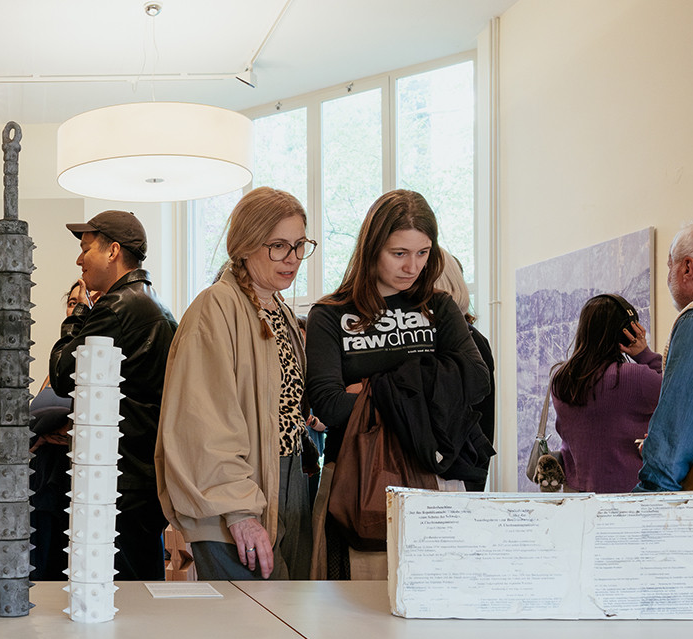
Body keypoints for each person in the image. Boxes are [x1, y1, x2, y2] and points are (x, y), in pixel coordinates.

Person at [305, 189, 491, 580]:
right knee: (354, 605)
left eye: (422, 253)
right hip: (356, 480)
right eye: (399, 253)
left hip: (437, 479)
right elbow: (329, 405)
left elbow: (476, 382)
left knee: (436, 601)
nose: (412, 266)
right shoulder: (330, 314)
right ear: (372, 247)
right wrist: (429, 385)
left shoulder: (439, 307)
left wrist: (372, 390)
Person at [156, 187, 314, 580]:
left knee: (284, 612)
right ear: (245, 245)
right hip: (234, 499)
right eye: (278, 246)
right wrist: (239, 510)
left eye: (299, 245)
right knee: (253, 614)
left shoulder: (278, 309)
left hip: (284, 483)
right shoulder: (217, 306)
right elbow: (202, 421)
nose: (292, 258)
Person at [50, 211, 177, 581]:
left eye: (86, 249)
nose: (79, 260)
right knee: (141, 578)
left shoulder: (118, 306)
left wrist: (76, 315)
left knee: (116, 587)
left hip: (119, 476)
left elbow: (63, 375)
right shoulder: (154, 304)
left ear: (113, 251)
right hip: (144, 474)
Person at [549, 294, 661, 493]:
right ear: (626, 333)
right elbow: (674, 392)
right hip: (627, 493)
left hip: (577, 494)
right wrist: (644, 353)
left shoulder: (561, 378)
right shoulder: (635, 377)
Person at [636, 215, 693, 491]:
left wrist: (647, 501)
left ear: (688, 268)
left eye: (670, 265)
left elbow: (671, 451)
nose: (668, 276)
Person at [30, 280, 86, 581]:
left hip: (75, 480)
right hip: (43, 478)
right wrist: (38, 437)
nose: (75, 308)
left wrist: (70, 432)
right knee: (40, 570)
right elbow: (33, 418)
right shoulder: (59, 364)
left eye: (82, 301)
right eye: (71, 302)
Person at [433, 247, 495, 490]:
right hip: (459, 471)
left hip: (455, 474)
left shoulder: (468, 342)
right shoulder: (472, 340)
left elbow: (478, 417)